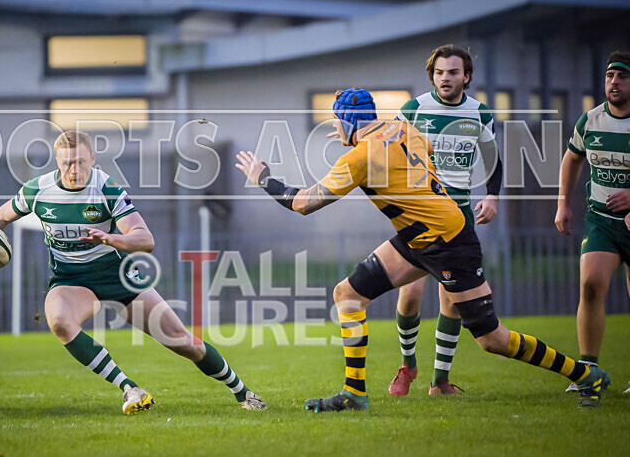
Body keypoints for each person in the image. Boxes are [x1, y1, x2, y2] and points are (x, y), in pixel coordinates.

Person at [236, 88, 609, 411]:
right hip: (421, 236)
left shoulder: (359, 157)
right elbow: (425, 155)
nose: (334, 129)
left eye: (336, 122)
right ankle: (354, 394)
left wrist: (263, 178)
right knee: (347, 295)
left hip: (448, 243)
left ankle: (584, 373)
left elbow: (303, 203)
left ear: (349, 122)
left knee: (491, 339)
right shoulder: (404, 129)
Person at [0, 131, 265, 415]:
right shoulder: (38, 190)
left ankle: (243, 393)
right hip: (70, 280)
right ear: (57, 162)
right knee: (59, 321)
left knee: (182, 341)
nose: (73, 169)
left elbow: (146, 239)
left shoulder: (107, 189)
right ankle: (130, 388)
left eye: (80, 161)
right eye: (66, 163)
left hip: (116, 275)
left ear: (92, 159)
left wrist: (110, 238)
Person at [388, 44, 503, 396]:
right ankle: (408, 365)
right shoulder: (414, 109)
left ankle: (439, 381)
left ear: (466, 76)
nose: (445, 78)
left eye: (453, 72)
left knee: (451, 299)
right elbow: (385, 148)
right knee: (410, 293)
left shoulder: (480, 114)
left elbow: (493, 161)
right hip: (420, 213)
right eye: (439, 72)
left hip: (460, 215)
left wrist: (492, 196)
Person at [555, 50, 630, 396]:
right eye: (609, 76)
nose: (614, 83)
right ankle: (588, 371)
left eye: (623, 77)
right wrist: (563, 205)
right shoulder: (590, 121)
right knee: (590, 286)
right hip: (601, 220)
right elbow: (571, 159)